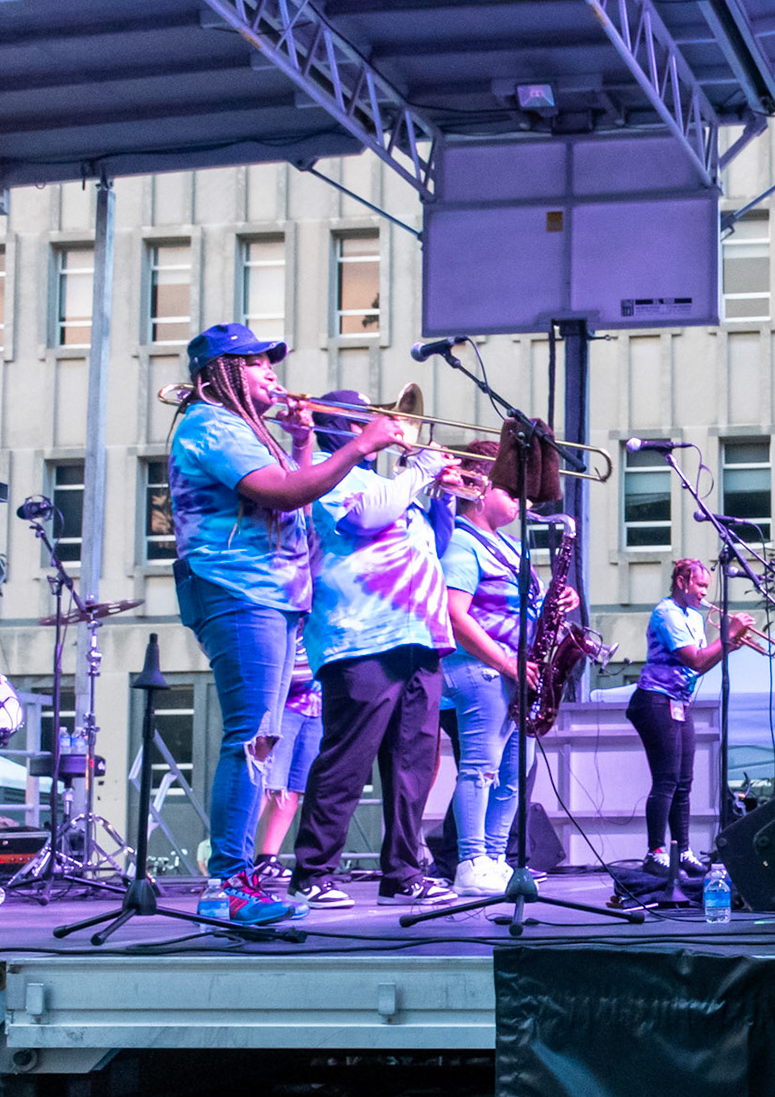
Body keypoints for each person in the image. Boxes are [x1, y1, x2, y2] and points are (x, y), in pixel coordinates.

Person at [169, 324, 404, 926]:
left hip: (269, 597)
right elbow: (282, 495)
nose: (272, 373)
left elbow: (296, 491)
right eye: (256, 364)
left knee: (262, 740)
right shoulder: (213, 424)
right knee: (250, 738)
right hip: (240, 594)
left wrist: (303, 444)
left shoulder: (246, 429)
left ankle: (239, 879)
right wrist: (357, 446)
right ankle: (227, 883)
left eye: (272, 364)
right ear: (219, 375)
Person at [285, 391, 461, 910]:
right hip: (360, 634)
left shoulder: (389, 483)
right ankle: (312, 871)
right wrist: (416, 474)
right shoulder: (319, 470)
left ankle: (404, 871)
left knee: (413, 762)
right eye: (370, 420)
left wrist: (441, 497)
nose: (389, 427)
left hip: (420, 633)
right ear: (341, 425)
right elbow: (361, 521)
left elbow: (436, 545)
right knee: (347, 757)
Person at [437, 440, 573, 895]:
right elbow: (455, 614)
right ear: (478, 488)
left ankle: (495, 857)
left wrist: (559, 602)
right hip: (480, 670)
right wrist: (507, 661)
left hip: (514, 674)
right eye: (510, 492)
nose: (520, 503)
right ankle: (471, 859)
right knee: (481, 768)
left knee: (515, 774)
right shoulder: (461, 541)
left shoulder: (508, 547)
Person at [626, 559, 751, 876]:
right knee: (666, 780)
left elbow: (701, 666)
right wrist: (728, 634)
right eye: (700, 586)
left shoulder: (694, 618)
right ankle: (655, 852)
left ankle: (682, 850)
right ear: (682, 582)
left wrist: (729, 647)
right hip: (655, 699)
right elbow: (694, 660)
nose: (704, 593)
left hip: (679, 700)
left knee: (684, 782)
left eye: (707, 587)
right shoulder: (666, 613)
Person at [251, 637, 322, 885]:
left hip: (316, 704)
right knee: (268, 784)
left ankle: (267, 859)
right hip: (284, 706)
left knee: (293, 787)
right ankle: (237, 859)